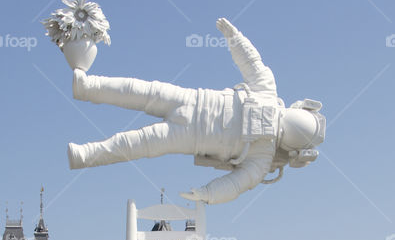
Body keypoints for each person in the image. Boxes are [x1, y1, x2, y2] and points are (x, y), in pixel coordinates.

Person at [67, 18, 326, 205]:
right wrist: (208, 193)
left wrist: (235, 38)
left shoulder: (264, 143)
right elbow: (237, 184)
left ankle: (86, 102)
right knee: (136, 136)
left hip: (191, 117)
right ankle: (85, 138)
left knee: (138, 104)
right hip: (191, 117)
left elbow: (252, 62)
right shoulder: (262, 155)